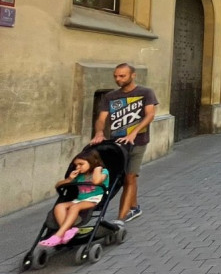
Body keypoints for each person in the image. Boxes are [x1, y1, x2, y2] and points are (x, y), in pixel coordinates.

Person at [90, 63, 157, 222]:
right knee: (123, 178)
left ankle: (121, 218)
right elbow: (101, 118)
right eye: (116, 76)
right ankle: (134, 207)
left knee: (130, 177)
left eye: (122, 76)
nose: (118, 79)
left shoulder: (145, 92)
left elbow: (150, 115)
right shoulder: (110, 96)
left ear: (133, 75)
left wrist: (133, 132)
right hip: (117, 144)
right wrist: (99, 132)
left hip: (138, 142)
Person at [38, 148, 110, 248]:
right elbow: (57, 185)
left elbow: (96, 181)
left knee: (75, 207)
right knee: (59, 206)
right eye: (76, 165)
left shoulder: (103, 171)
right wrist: (69, 179)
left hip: (95, 199)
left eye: (81, 164)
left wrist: (97, 169)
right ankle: (68, 231)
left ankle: (59, 234)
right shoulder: (79, 176)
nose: (78, 167)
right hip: (80, 200)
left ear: (93, 162)